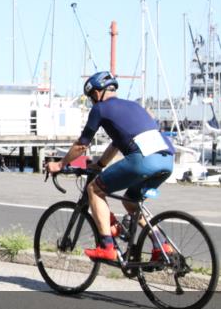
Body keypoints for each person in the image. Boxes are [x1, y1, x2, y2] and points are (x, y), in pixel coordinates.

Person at [46, 71, 174, 261]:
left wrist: (60, 164)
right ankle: (161, 245)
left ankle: (107, 246)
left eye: (91, 98)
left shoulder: (100, 109)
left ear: (97, 93)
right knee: (131, 202)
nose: (92, 102)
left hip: (143, 161)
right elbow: (116, 143)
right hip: (167, 161)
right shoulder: (134, 106)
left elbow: (82, 145)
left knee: (94, 189)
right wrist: (101, 164)